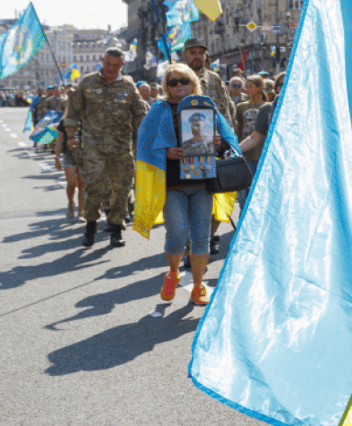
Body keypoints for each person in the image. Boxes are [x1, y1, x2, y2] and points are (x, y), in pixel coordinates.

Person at [134, 64, 238, 307]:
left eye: (183, 80)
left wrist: (218, 142)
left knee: (202, 238)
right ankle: (172, 274)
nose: (178, 85)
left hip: (202, 182)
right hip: (172, 185)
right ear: (166, 86)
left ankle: (199, 286)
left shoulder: (206, 106)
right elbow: (144, 144)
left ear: (193, 82)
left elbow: (228, 141)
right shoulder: (159, 109)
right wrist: (165, 151)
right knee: (178, 234)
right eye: (172, 82)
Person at [65, 48, 148, 248]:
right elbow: (73, 110)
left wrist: (145, 139)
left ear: (122, 65)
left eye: (115, 65)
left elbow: (140, 114)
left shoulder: (128, 86)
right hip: (93, 147)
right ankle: (91, 226)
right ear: (102, 61)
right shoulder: (87, 82)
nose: (110, 69)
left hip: (120, 148)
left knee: (120, 189)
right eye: (107, 64)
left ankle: (116, 229)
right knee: (94, 187)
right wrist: (70, 136)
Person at [183, 38, 234, 254]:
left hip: (213, 149)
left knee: (215, 196)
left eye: (200, 52)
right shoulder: (177, 78)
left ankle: (208, 236)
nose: (197, 56)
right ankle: (192, 248)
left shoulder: (214, 80)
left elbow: (225, 112)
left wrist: (227, 141)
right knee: (192, 201)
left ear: (205, 55)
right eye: (192, 52)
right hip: (188, 151)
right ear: (185, 55)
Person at [53, 117, 84, 220]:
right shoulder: (64, 121)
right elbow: (59, 141)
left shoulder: (88, 118)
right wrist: (57, 158)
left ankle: (81, 211)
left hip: (84, 154)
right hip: (69, 155)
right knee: (71, 183)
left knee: (82, 184)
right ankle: (71, 203)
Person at [235, 75, 268, 170]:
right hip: (247, 152)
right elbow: (239, 129)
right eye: (246, 86)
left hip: (262, 151)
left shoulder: (268, 107)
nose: (246, 89)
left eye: (250, 87)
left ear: (260, 88)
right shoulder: (241, 106)